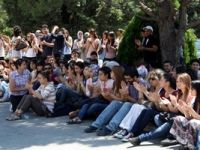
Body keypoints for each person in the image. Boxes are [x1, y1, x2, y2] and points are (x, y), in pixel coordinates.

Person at [129, 73, 194, 147]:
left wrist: (175, 104)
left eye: (180, 81)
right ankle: (133, 133)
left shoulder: (190, 95)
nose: (178, 83)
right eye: (177, 81)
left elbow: (188, 115)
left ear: (186, 82)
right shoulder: (178, 93)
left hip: (180, 121)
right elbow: (174, 110)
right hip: (172, 118)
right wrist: (169, 103)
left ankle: (140, 138)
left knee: (168, 123)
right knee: (150, 112)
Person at [170, 81, 200, 150]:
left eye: (192, 89)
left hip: (197, 122)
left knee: (193, 122)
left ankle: (191, 146)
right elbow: (189, 117)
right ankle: (184, 143)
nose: (190, 90)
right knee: (178, 118)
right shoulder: (194, 100)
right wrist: (186, 110)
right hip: (194, 121)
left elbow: (197, 118)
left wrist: (191, 110)